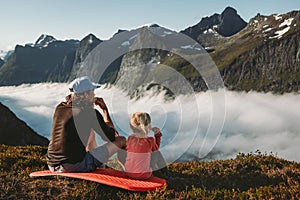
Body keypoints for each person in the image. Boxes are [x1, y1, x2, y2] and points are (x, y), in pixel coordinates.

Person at [47, 76, 126, 172]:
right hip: (73, 167)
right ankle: (132, 172)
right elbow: (111, 136)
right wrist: (105, 110)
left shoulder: (60, 108)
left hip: (52, 165)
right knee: (121, 140)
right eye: (92, 92)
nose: (94, 94)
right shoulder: (89, 113)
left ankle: (97, 164)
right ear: (86, 94)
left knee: (90, 131)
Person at [118, 112, 167, 179]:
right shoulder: (150, 140)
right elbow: (156, 149)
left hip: (128, 173)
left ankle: (129, 168)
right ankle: (166, 173)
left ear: (132, 127)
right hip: (145, 175)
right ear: (149, 126)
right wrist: (157, 135)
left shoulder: (130, 138)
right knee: (156, 152)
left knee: (124, 149)